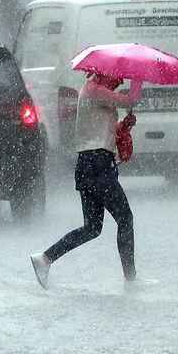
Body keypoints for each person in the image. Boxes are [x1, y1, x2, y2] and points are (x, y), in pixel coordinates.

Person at [30, 72, 143, 289]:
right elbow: (131, 100)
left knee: (92, 228)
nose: (118, 83)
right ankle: (131, 279)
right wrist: (139, 79)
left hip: (88, 164)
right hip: (98, 165)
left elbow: (98, 131)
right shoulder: (95, 90)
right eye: (117, 79)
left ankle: (44, 259)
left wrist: (123, 126)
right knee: (125, 218)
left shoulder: (95, 92)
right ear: (104, 73)